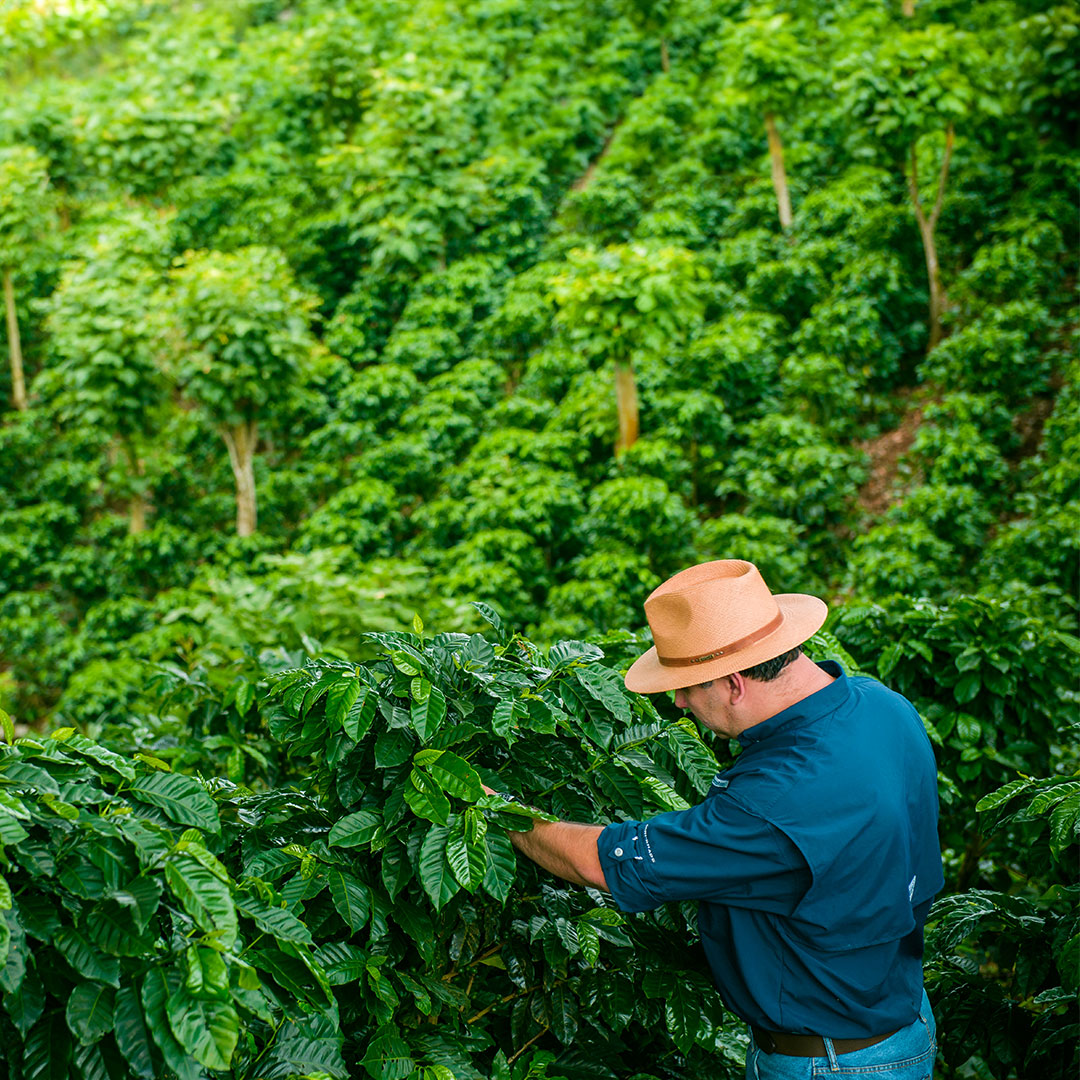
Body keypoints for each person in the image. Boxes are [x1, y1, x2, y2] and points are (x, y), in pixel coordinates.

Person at [497, 559, 944, 1078]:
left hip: (832, 1063)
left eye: (688, 687)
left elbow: (604, 862)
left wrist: (497, 810)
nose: (680, 703)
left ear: (734, 682)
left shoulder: (774, 802)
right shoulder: (882, 705)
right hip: (901, 1018)